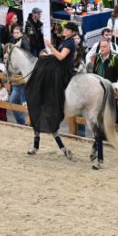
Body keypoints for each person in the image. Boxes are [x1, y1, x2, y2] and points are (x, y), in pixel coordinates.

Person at [24, 22, 79, 158]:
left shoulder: (70, 43)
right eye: (65, 28)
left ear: (72, 32)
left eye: (67, 29)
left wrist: (50, 47)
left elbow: (61, 57)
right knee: (42, 61)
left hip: (63, 71)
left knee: (43, 67)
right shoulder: (66, 40)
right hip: (59, 66)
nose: (64, 30)